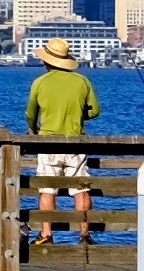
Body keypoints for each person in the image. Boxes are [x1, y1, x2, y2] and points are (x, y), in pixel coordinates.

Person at [20, 40, 100, 243]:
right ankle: (84, 233)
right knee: (81, 188)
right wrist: (78, 116)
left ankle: (47, 233)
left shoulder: (40, 82)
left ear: (47, 61)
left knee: (47, 188)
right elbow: (95, 110)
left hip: (48, 142)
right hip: (75, 142)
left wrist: (33, 128)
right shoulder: (82, 81)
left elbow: (30, 113)